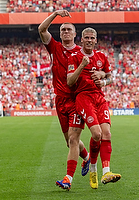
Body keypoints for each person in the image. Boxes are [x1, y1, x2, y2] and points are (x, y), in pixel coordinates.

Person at [38, 10, 91, 190]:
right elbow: (41, 29)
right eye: (62, 30)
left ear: (75, 34)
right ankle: (87, 157)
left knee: (74, 140)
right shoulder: (54, 47)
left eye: (68, 29)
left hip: (76, 100)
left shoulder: (81, 53)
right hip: (60, 101)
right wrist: (55, 14)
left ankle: (68, 178)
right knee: (69, 142)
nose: (65, 32)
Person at [67, 27, 121, 189]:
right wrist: (82, 66)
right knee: (96, 134)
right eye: (87, 38)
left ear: (96, 40)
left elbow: (111, 78)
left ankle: (106, 172)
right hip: (83, 97)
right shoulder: (74, 57)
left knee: (107, 134)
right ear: (81, 40)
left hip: (99, 98)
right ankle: (92, 168)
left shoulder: (101, 57)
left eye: (92, 38)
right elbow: (70, 81)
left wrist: (103, 79)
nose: (89, 40)